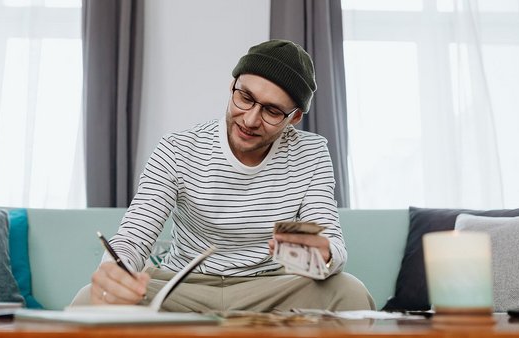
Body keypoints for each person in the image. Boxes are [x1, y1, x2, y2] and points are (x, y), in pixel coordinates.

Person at [86, 39, 375, 312]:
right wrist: (115, 271)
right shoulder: (177, 148)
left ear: (295, 117)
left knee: (350, 293)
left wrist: (322, 254)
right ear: (232, 86)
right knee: (89, 299)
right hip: (182, 287)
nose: (250, 120)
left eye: (272, 111)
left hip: (269, 288)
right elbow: (134, 238)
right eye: (245, 97)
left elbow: (334, 249)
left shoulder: (311, 154)